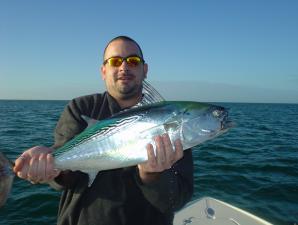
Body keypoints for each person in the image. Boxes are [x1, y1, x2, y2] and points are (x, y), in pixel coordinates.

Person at [13, 36, 194, 225]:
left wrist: (152, 176)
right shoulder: (81, 107)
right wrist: (50, 167)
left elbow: (176, 200)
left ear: (145, 70)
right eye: (115, 61)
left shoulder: (171, 122)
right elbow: (65, 178)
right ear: (103, 71)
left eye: (133, 61)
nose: (124, 67)